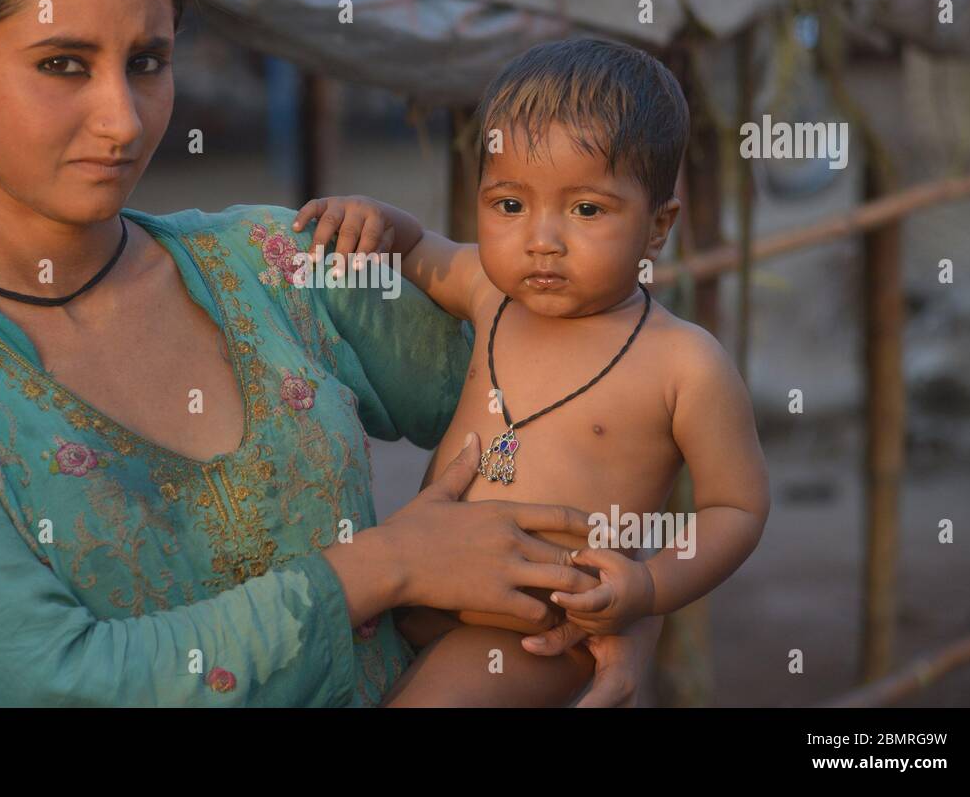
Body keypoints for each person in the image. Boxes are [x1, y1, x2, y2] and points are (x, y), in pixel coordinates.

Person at [0, 0, 663, 707]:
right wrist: (391, 563)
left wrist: (611, 596)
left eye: (146, 62)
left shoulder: (276, 261)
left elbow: (595, 403)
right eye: (64, 64)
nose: (122, 119)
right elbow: (52, 684)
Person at [293, 37, 770, 706]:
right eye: (510, 205)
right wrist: (377, 220)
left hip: (532, 629)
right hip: (420, 590)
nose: (541, 239)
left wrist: (650, 587)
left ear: (658, 227)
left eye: (586, 210)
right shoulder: (492, 293)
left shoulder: (684, 363)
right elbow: (419, 247)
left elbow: (737, 507)